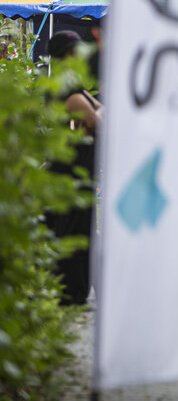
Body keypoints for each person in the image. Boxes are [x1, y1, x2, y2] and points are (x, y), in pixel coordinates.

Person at [43, 30, 102, 305]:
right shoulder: (64, 88)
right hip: (70, 169)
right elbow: (98, 119)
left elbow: (98, 113)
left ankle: (76, 289)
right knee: (71, 230)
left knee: (82, 230)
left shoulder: (75, 87)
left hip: (84, 168)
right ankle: (70, 291)